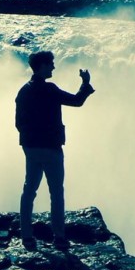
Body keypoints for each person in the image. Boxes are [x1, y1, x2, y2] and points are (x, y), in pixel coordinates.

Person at [15, 50, 94, 251]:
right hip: (51, 148)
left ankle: (27, 237)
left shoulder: (23, 91)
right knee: (56, 193)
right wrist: (85, 83)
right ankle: (59, 237)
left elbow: (18, 123)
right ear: (41, 66)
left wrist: (28, 144)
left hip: (32, 148)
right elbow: (77, 101)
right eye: (50, 64)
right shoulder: (50, 89)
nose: (53, 67)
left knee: (29, 191)